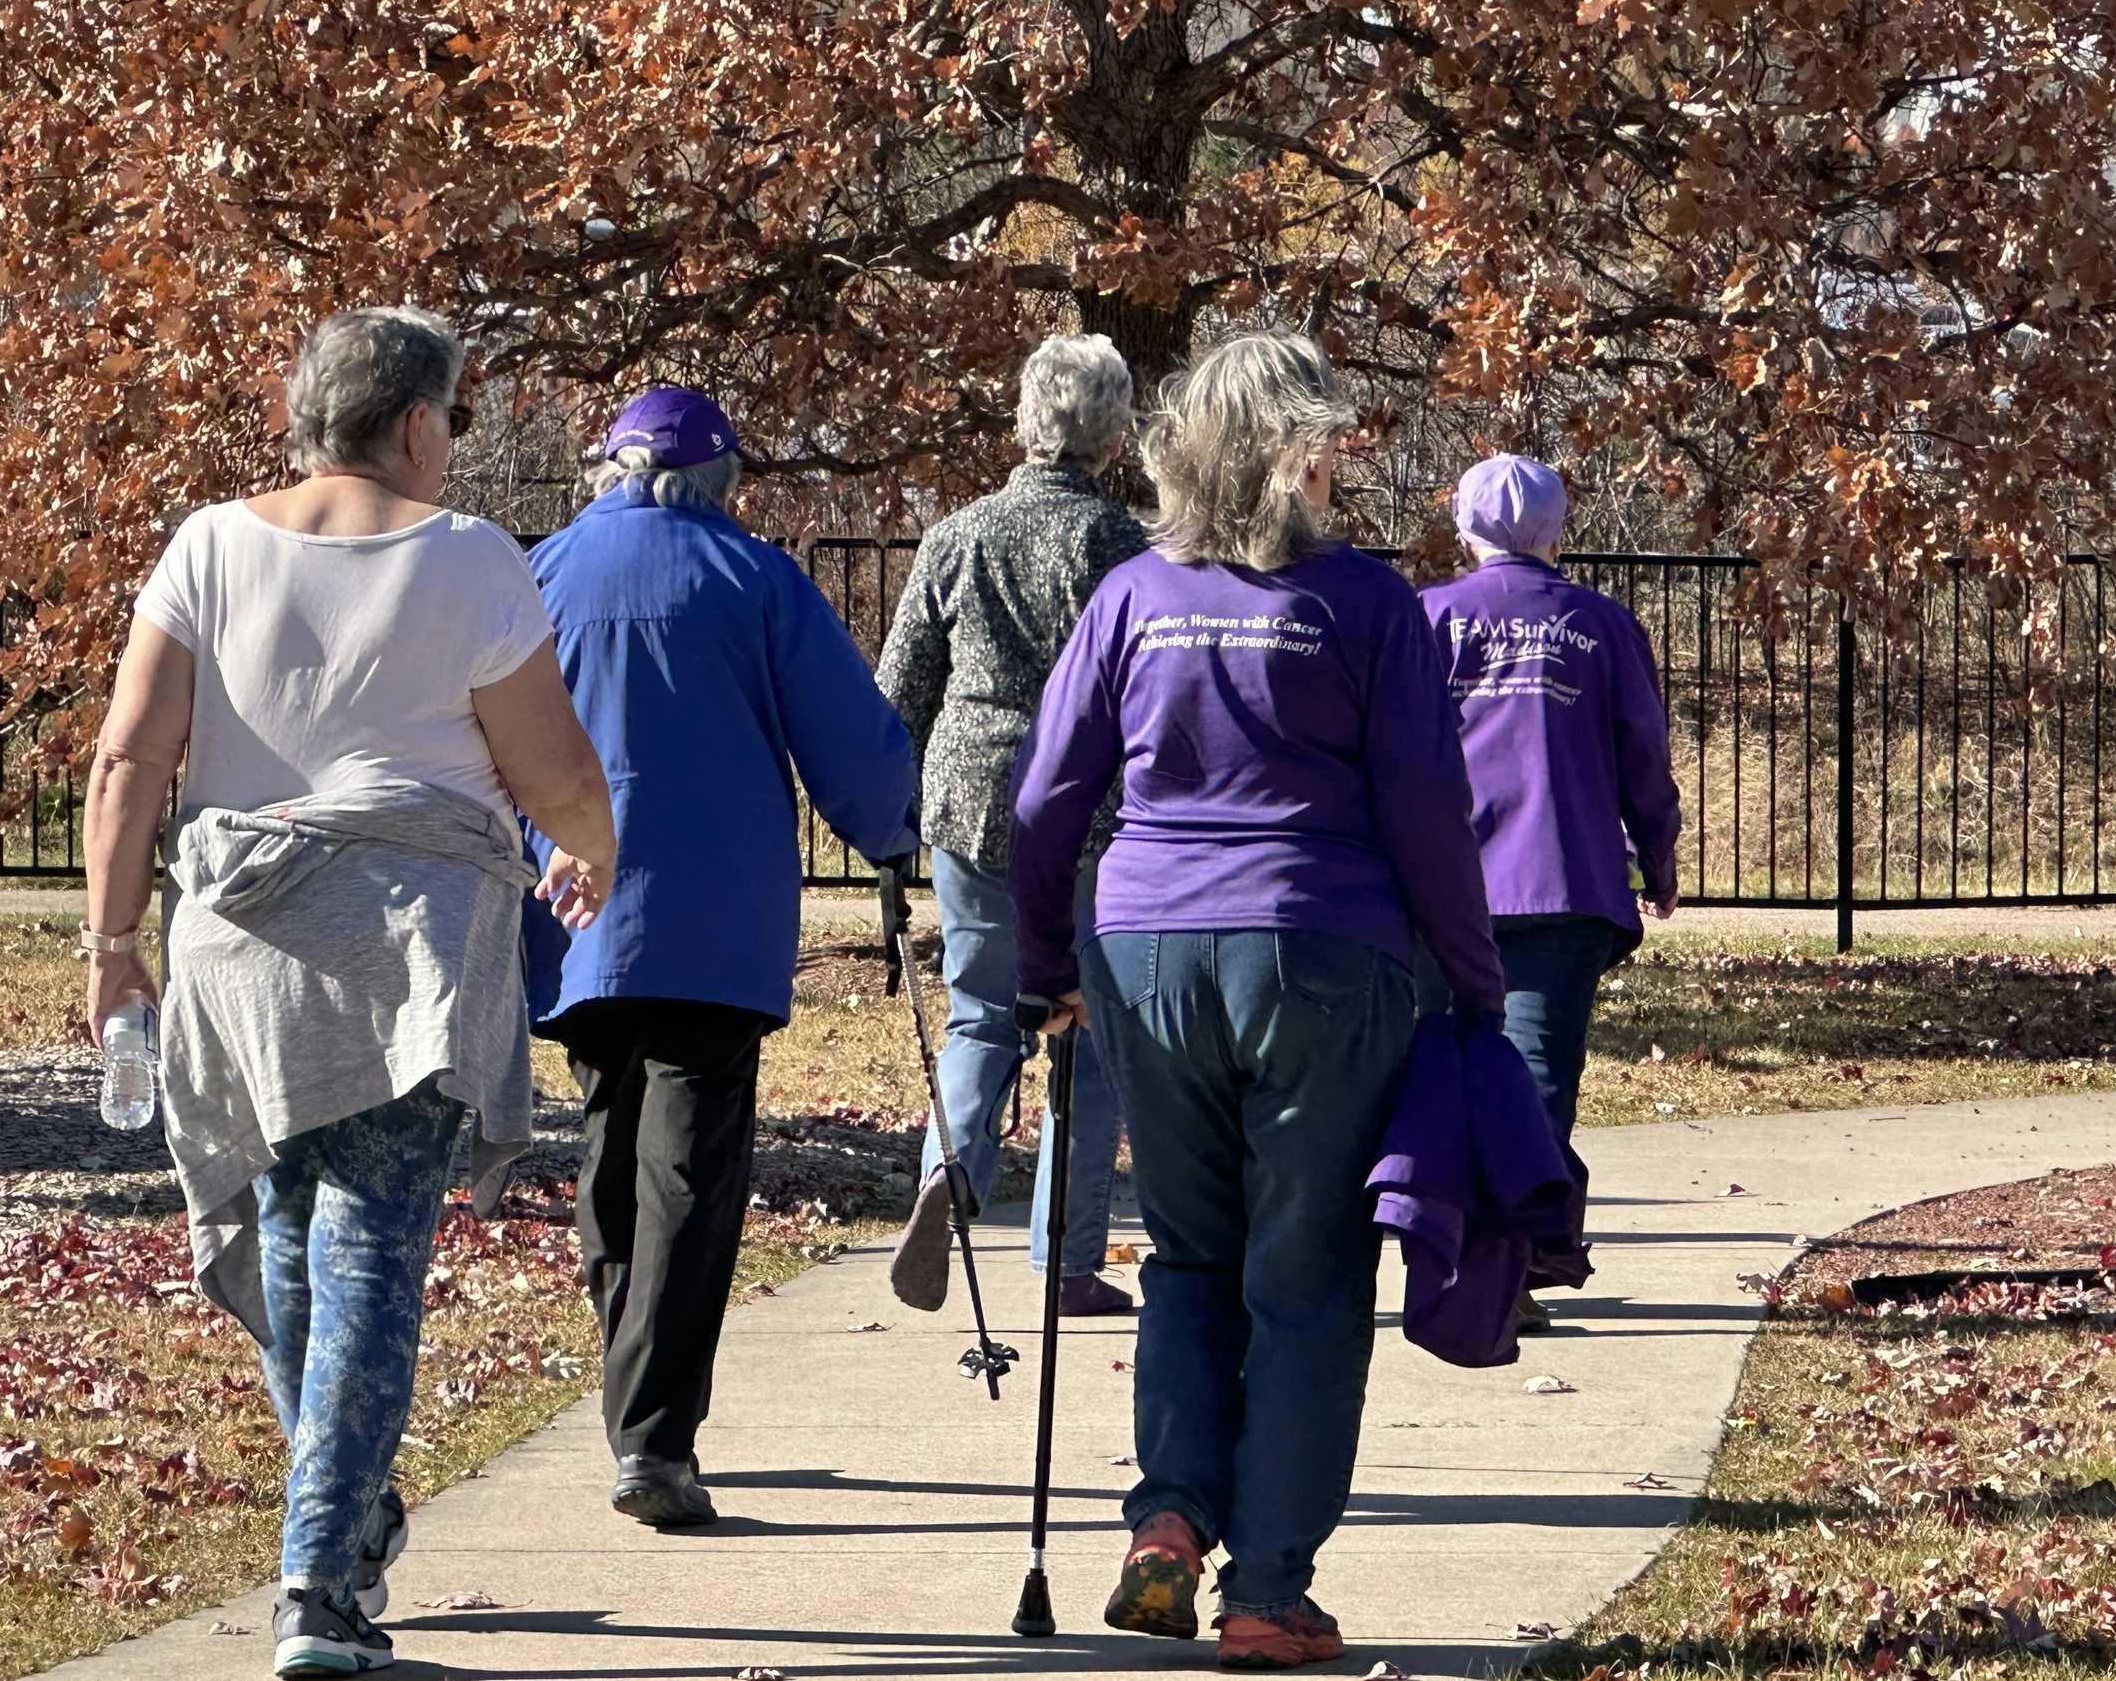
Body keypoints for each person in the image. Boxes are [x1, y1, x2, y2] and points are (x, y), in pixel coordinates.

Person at [82, 306, 617, 1679]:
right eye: (457, 418)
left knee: (289, 1232)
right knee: (368, 1250)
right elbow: (549, 767)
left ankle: (350, 1508)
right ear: (417, 421)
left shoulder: (207, 544)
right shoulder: (469, 557)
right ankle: (320, 1585)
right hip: (405, 956)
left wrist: (110, 945)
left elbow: (130, 760)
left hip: (238, 948)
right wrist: (595, 843)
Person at [1006, 331, 1504, 1671]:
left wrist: (1041, 964)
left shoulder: (1134, 597)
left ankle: (1169, 1512)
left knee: (1187, 1250)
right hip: (1323, 955)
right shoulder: (1365, 603)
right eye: (1326, 435)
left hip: (1147, 947)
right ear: (1283, 449)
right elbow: (1428, 815)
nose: (1343, 457)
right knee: (1307, 1275)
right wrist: (1474, 980)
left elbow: (1049, 795)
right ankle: (1269, 1585)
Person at [525, 387, 918, 1529]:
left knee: (610, 1144)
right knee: (688, 1178)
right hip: (714, 919)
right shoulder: (755, 580)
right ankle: (652, 1438)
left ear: (611, 469)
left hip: (574, 913)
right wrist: (890, 835)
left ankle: (632, 1384)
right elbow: (850, 739)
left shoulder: (541, 573)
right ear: (718, 480)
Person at [875, 333, 1147, 1317]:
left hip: (965, 791)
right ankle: (1067, 1261)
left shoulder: (956, 534)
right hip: (1087, 809)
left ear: (1027, 419)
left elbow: (899, 687)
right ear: (1114, 433)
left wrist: (886, 819)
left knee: (982, 1014)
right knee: (1092, 1034)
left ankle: (945, 1168)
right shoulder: (1120, 544)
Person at [1419, 456, 1681, 1331]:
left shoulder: (1431, 617)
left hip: (1441, 881)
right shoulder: (1599, 624)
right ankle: (1513, 1263)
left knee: (1433, 1064)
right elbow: (1642, 751)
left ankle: (1447, 1242)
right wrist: (1658, 851)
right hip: (1563, 878)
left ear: (1465, 529)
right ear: (1558, 532)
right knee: (1534, 1078)